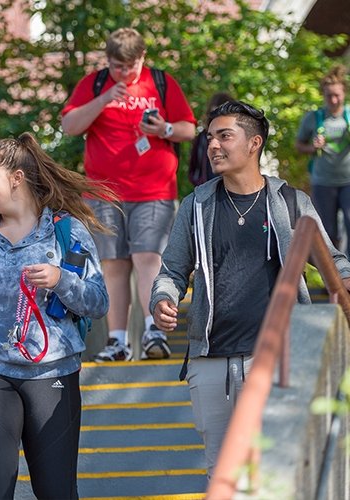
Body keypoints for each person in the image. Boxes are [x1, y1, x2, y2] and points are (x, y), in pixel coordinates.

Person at [150, 100, 350, 479]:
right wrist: (163, 298)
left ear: (254, 143)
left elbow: (333, 261)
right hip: (212, 361)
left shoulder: (291, 201)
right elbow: (171, 271)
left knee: (275, 472)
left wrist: (345, 283)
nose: (213, 146)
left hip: (278, 360)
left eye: (225, 136)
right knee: (222, 475)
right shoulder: (196, 205)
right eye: (210, 138)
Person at [0, 132, 111, 499]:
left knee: (56, 491)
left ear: (16, 177)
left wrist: (61, 279)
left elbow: (98, 303)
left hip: (54, 374)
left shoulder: (66, 232)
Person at [61, 27, 196, 362]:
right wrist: (104, 99)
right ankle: (117, 340)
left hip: (153, 191)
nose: (124, 73)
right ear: (107, 61)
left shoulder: (161, 83)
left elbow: (189, 129)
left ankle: (154, 332)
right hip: (104, 193)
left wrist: (163, 128)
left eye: (131, 66)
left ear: (143, 58)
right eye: (117, 66)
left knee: (148, 258)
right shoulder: (94, 84)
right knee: (113, 265)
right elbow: (70, 125)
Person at [296, 64, 350, 254]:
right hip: (323, 182)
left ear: (344, 93)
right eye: (329, 96)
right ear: (323, 95)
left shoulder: (349, 115)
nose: (334, 100)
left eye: (337, 95)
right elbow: (299, 145)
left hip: (348, 181)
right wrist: (313, 147)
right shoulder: (313, 118)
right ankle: (335, 279)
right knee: (328, 231)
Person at [188, 92, 234, 186]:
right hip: (207, 188)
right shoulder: (202, 137)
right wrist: (199, 182)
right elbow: (194, 165)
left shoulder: (237, 137)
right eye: (214, 114)